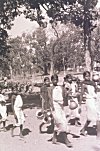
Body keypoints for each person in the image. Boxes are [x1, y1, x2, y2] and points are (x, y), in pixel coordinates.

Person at [48, 74, 72, 148]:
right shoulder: (50, 89)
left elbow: (65, 96)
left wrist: (68, 91)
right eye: (54, 80)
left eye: (56, 79)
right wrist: (51, 108)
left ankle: (54, 138)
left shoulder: (61, 88)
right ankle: (65, 140)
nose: (55, 81)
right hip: (54, 107)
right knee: (61, 123)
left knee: (60, 122)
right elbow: (50, 98)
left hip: (61, 107)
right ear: (51, 81)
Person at [80, 71, 97, 136]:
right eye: (86, 76)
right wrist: (80, 104)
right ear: (84, 77)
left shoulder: (92, 83)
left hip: (94, 100)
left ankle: (83, 129)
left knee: (94, 115)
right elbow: (81, 94)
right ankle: (83, 129)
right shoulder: (83, 84)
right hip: (89, 100)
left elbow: (95, 91)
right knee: (91, 116)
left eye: (88, 76)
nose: (88, 77)